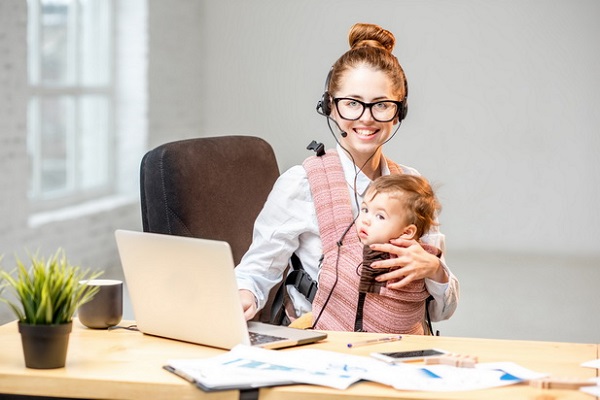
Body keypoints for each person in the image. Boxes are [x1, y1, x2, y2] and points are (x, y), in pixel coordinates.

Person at [235, 22, 459, 334]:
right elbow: (256, 272)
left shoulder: (411, 185)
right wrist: (243, 295)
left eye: (381, 105)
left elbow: (443, 309)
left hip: (397, 351)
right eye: (352, 103)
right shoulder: (301, 184)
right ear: (330, 107)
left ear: (399, 112)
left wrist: (435, 270)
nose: (366, 118)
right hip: (321, 346)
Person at [354, 174, 442, 333]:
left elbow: (439, 309)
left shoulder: (417, 259)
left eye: (380, 216)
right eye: (365, 209)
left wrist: (436, 270)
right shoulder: (347, 247)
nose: (365, 220)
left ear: (407, 232)